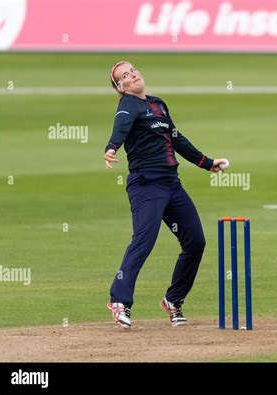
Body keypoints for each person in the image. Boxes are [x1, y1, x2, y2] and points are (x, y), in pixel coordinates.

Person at [104, 60, 228, 329]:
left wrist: (207, 163)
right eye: (125, 75)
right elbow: (121, 129)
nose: (133, 75)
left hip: (171, 184)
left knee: (195, 242)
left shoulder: (158, 104)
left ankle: (173, 300)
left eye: (133, 70)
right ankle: (120, 300)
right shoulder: (127, 104)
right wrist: (112, 148)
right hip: (146, 185)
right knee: (144, 240)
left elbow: (176, 137)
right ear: (120, 87)